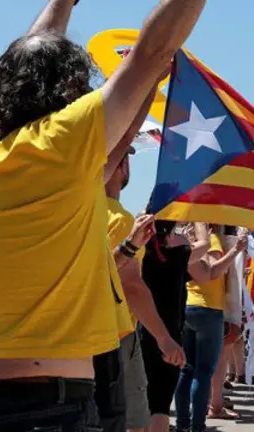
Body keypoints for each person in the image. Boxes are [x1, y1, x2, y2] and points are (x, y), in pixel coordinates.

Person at [0, 0, 208, 429]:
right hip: (42, 408)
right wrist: (149, 73)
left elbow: (34, 49)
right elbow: (151, 51)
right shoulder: (61, 141)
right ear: (68, 91)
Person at [103, 139, 187, 432]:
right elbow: (132, 287)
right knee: (133, 424)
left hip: (74, 336)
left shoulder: (74, 214)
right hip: (116, 334)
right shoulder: (120, 220)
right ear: (122, 167)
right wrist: (165, 339)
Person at [174, 223, 247, 432]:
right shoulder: (210, 240)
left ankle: (182, 424)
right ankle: (197, 426)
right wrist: (236, 250)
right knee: (203, 372)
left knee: (186, 370)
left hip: (187, 307)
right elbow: (213, 272)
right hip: (208, 310)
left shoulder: (184, 242)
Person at [140, 221, 208, 432]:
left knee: (140, 404)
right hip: (169, 334)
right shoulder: (180, 255)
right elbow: (204, 245)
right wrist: (199, 221)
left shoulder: (140, 255)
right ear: (170, 234)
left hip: (142, 330)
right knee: (160, 404)